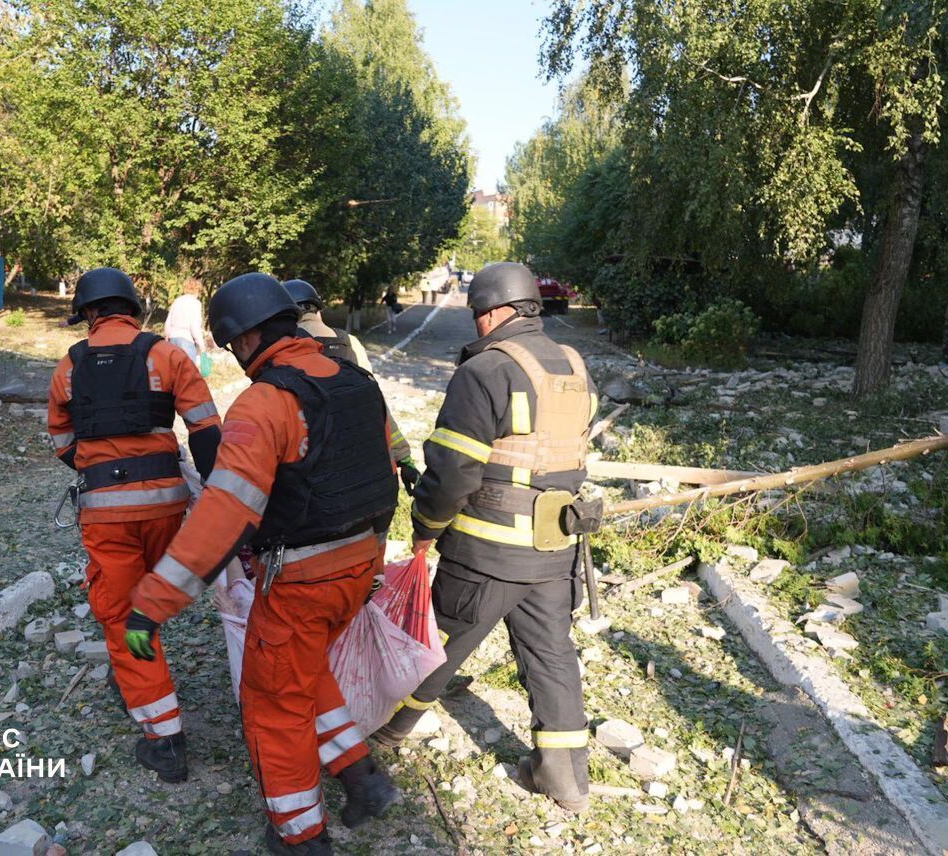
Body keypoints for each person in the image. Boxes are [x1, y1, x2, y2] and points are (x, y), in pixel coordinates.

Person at [127, 273, 402, 855]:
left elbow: (223, 516)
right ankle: (361, 776)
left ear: (246, 339)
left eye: (231, 347)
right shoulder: (357, 381)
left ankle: (300, 836)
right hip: (361, 566)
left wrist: (152, 605)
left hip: (304, 577)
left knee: (274, 702)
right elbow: (385, 467)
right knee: (305, 672)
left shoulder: (266, 401)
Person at [370, 262, 599, 813]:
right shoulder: (573, 364)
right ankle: (566, 779)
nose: (477, 327)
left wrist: (424, 529)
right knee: (551, 655)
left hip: (487, 549)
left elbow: (452, 472)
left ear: (494, 312)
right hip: (556, 546)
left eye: (477, 316)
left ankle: (386, 733)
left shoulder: (485, 371)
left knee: (440, 641)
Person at [47, 267, 221, 782]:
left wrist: (99, 469)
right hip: (168, 506)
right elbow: (207, 430)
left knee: (122, 617)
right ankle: (140, 671)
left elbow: (61, 439)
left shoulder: (69, 366)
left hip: (106, 512)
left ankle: (164, 740)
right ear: (132, 307)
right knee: (149, 598)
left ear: (88, 314)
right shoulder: (166, 354)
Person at [282, 279, 420, 493]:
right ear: (318, 309)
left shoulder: (286, 350)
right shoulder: (350, 342)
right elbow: (376, 402)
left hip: (313, 475)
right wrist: (404, 457)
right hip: (363, 466)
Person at [163, 277, 207, 365]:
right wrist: (202, 346)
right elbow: (194, 326)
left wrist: (167, 338)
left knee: (174, 372)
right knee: (188, 374)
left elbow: (168, 323)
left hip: (173, 339)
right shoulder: (195, 303)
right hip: (186, 340)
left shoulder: (177, 301)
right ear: (197, 290)